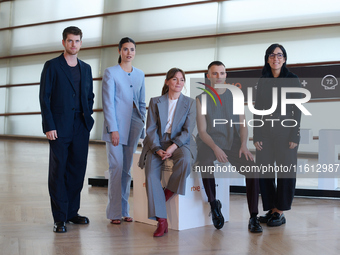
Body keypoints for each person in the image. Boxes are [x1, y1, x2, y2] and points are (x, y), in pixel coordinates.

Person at [195, 61, 262, 233]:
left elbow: (243, 125)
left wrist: (244, 145)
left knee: (253, 169)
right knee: (206, 162)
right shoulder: (201, 99)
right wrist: (215, 148)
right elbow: (202, 131)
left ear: (226, 75)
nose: (219, 77)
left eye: (222, 73)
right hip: (209, 142)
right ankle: (214, 205)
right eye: (215, 73)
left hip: (232, 141)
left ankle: (254, 216)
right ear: (208, 75)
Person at [39, 26, 94, 233]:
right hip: (59, 128)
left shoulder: (86, 68)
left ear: (81, 43)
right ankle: (60, 217)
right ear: (64, 42)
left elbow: (89, 96)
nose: (74, 44)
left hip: (81, 126)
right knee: (58, 171)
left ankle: (72, 212)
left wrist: (88, 118)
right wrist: (49, 125)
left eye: (77, 41)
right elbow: (45, 97)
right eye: (70, 41)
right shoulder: (52, 66)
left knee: (77, 170)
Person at [138, 68, 196, 237]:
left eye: (182, 80)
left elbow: (187, 130)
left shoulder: (190, 103)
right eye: (175, 79)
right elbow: (150, 129)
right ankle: (162, 221)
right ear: (167, 81)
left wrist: (172, 147)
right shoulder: (156, 101)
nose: (179, 83)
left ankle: (163, 196)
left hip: (180, 142)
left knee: (185, 161)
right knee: (150, 174)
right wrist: (157, 149)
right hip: (157, 142)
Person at [254, 43, 301, 227]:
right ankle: (271, 209)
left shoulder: (292, 79)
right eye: (272, 55)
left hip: (285, 132)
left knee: (286, 172)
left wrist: (294, 136)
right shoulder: (262, 80)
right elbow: (257, 109)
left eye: (279, 55)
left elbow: (297, 110)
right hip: (265, 133)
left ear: (285, 59)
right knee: (264, 172)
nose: (276, 58)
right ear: (267, 59)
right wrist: (256, 134)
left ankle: (280, 212)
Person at [102, 37, 146, 224]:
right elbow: (108, 103)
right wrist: (113, 129)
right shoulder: (110, 73)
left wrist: (142, 122)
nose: (129, 53)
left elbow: (142, 101)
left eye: (132, 49)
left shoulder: (140, 74)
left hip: (135, 125)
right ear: (119, 51)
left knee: (127, 169)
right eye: (126, 49)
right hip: (116, 128)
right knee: (117, 167)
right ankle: (114, 213)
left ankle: (125, 210)